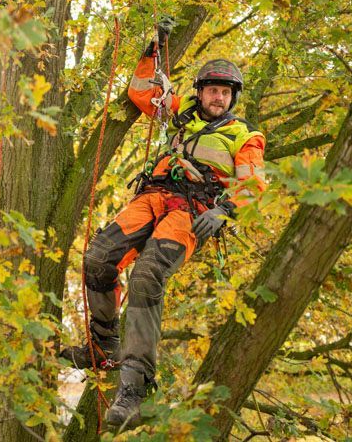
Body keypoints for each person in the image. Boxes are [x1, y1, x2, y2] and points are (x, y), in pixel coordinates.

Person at [60, 22, 267, 428]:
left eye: (225, 93)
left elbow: (254, 184)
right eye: (213, 90)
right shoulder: (180, 113)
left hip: (193, 210)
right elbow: (141, 91)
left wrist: (224, 210)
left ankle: (134, 389)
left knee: (147, 276)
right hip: (154, 196)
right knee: (99, 258)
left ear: (232, 98)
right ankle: (102, 347)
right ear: (200, 92)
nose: (219, 98)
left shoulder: (245, 135)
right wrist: (153, 48)